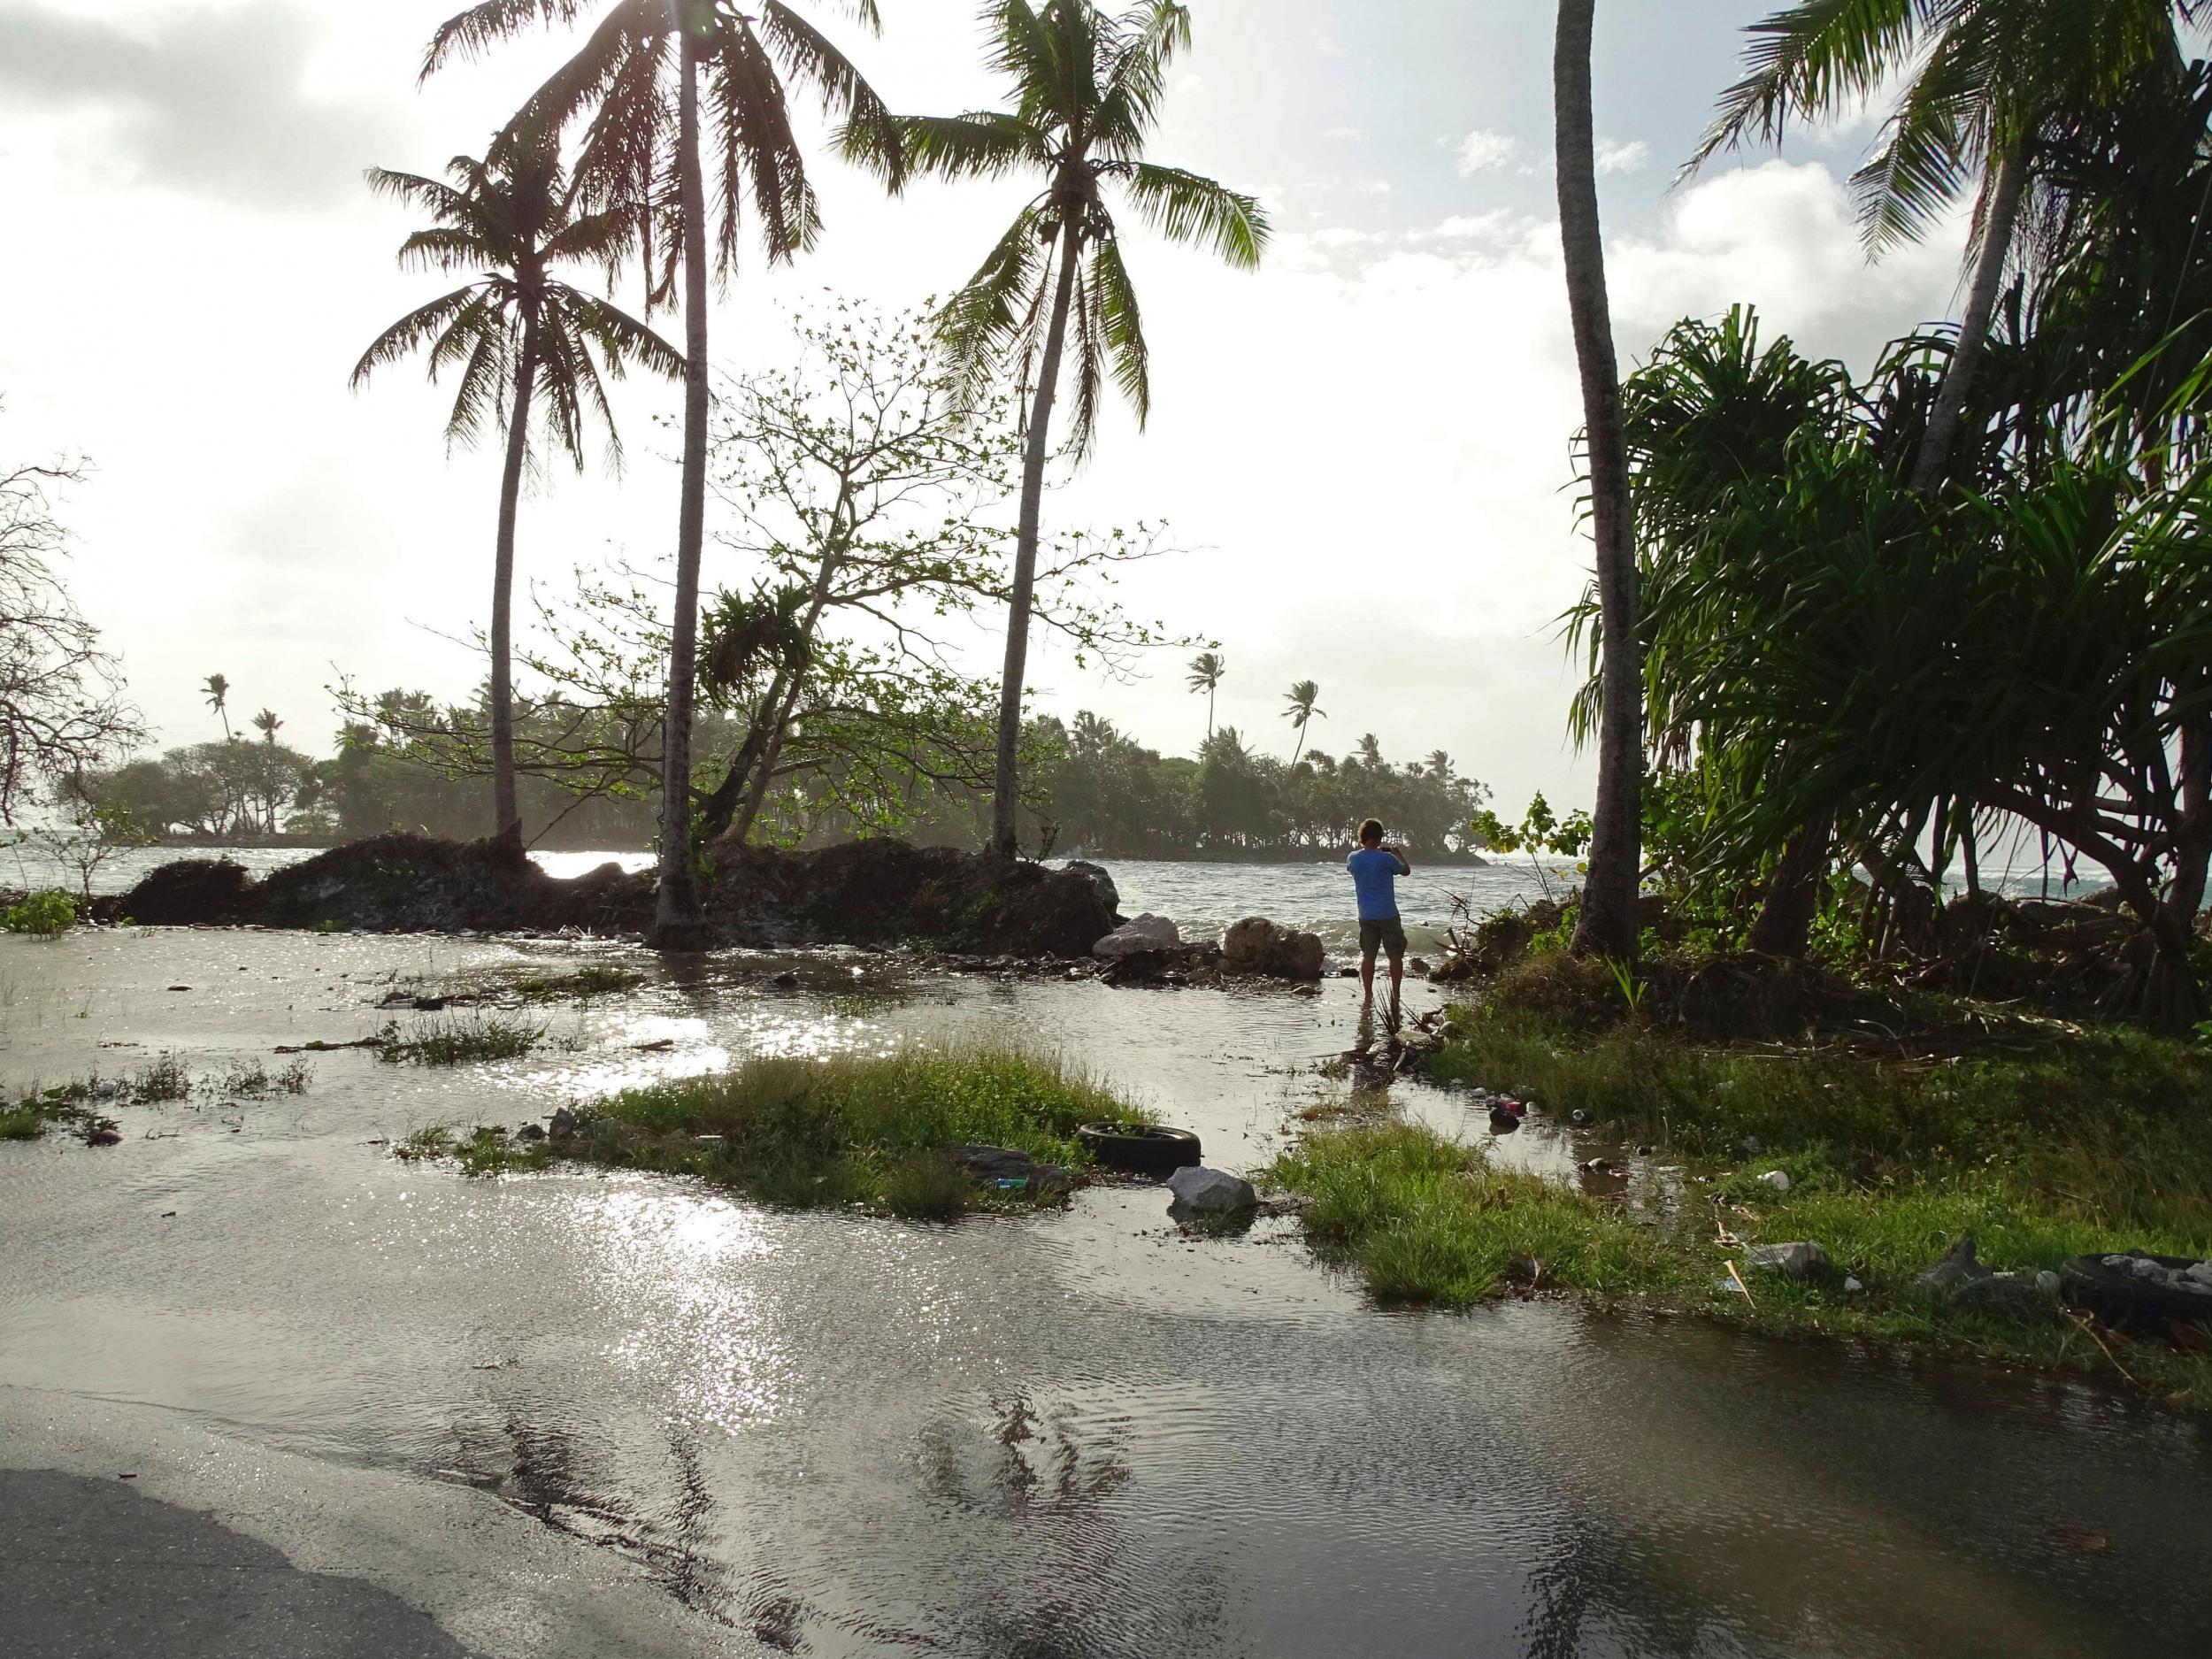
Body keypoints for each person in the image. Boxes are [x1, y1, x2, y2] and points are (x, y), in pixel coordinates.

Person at [1347, 818, 1410, 1011]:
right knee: (1395, 956)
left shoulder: (1353, 858)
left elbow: (1352, 870)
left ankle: (1368, 995)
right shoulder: (1387, 858)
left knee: (1368, 955)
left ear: (1363, 836)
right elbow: (1406, 871)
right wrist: (1399, 855)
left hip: (1366, 914)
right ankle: (1396, 994)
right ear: (1380, 836)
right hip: (1388, 913)